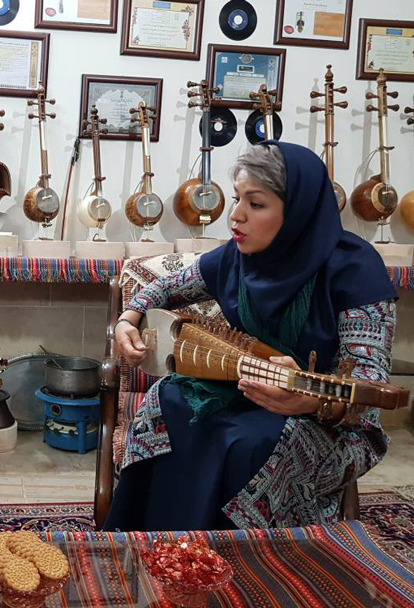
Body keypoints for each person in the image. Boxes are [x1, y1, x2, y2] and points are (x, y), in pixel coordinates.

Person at [104, 141, 397, 532]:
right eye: (238, 199)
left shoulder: (355, 270)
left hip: (330, 423)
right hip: (248, 392)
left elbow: (369, 389)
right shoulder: (237, 257)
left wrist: (310, 403)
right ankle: (162, 544)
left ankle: (241, 567)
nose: (236, 216)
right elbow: (164, 288)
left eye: (256, 204)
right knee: (169, 400)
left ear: (296, 211)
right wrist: (127, 319)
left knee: (251, 442)